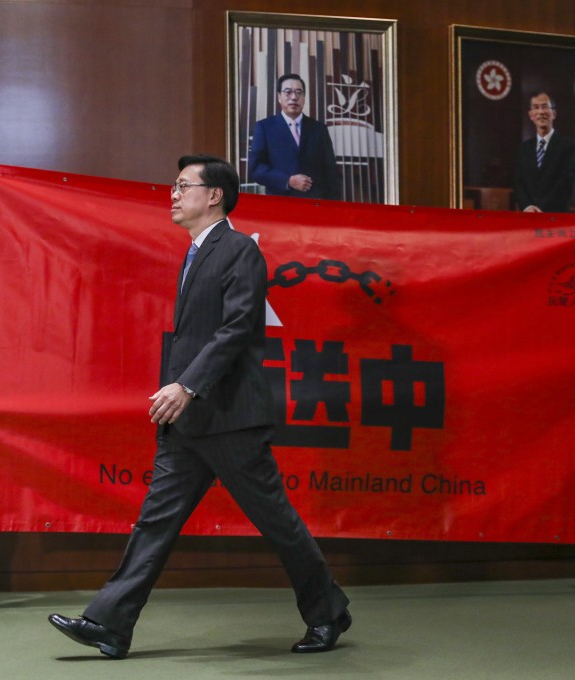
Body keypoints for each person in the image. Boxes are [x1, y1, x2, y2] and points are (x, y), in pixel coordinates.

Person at [48, 155, 350, 659]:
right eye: (174, 184)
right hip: (189, 422)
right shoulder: (194, 254)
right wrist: (182, 393)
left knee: (277, 524)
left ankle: (328, 614)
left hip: (231, 418)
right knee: (155, 522)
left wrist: (185, 385)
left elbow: (235, 332)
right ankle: (110, 625)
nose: (173, 193)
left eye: (183, 185)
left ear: (214, 195)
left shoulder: (240, 252)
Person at [248, 74, 341, 200]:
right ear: (279, 97)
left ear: (304, 97)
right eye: (288, 92)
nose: (294, 97)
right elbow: (256, 169)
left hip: (315, 206)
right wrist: (288, 180)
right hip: (280, 204)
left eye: (299, 92)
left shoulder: (319, 129)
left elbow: (331, 172)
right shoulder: (264, 127)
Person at [512, 91, 575, 213]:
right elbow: (518, 182)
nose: (541, 112)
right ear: (531, 115)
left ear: (554, 113)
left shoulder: (568, 146)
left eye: (545, 107)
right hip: (528, 217)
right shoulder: (523, 149)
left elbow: (565, 182)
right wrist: (527, 207)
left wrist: (541, 208)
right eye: (536, 108)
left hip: (556, 217)